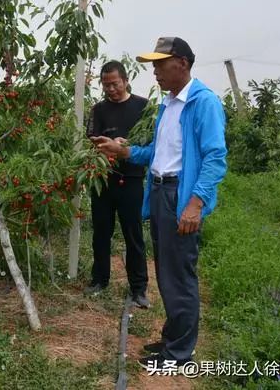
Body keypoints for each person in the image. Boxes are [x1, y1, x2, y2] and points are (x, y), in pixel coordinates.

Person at [92, 37, 227, 369]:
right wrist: (122, 150)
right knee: (167, 273)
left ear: (181, 63)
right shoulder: (168, 105)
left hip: (180, 195)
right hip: (160, 192)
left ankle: (180, 353)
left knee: (180, 275)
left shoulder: (203, 102)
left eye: (160, 64)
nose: (154, 71)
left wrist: (196, 203)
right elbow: (156, 154)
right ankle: (173, 339)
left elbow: (215, 158)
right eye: (153, 65)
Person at [85, 60, 150, 309]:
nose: (110, 89)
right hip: (103, 179)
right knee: (101, 232)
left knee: (133, 234)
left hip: (131, 179)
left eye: (114, 83)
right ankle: (99, 280)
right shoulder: (99, 110)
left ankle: (139, 288)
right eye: (106, 85)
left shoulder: (143, 107)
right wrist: (107, 144)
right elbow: (92, 138)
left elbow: (148, 139)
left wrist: (127, 146)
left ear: (125, 80)